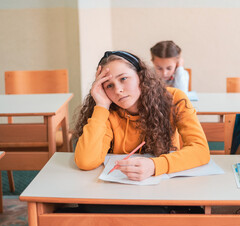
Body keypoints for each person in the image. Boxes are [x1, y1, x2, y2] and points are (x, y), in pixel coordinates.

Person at [73, 50, 209, 182]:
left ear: (141, 76)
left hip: (167, 187)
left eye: (124, 78)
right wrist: (101, 106)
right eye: (109, 85)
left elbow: (201, 150)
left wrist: (154, 166)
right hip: (120, 191)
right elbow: (86, 161)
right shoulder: (108, 112)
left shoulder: (174, 98)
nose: (118, 90)